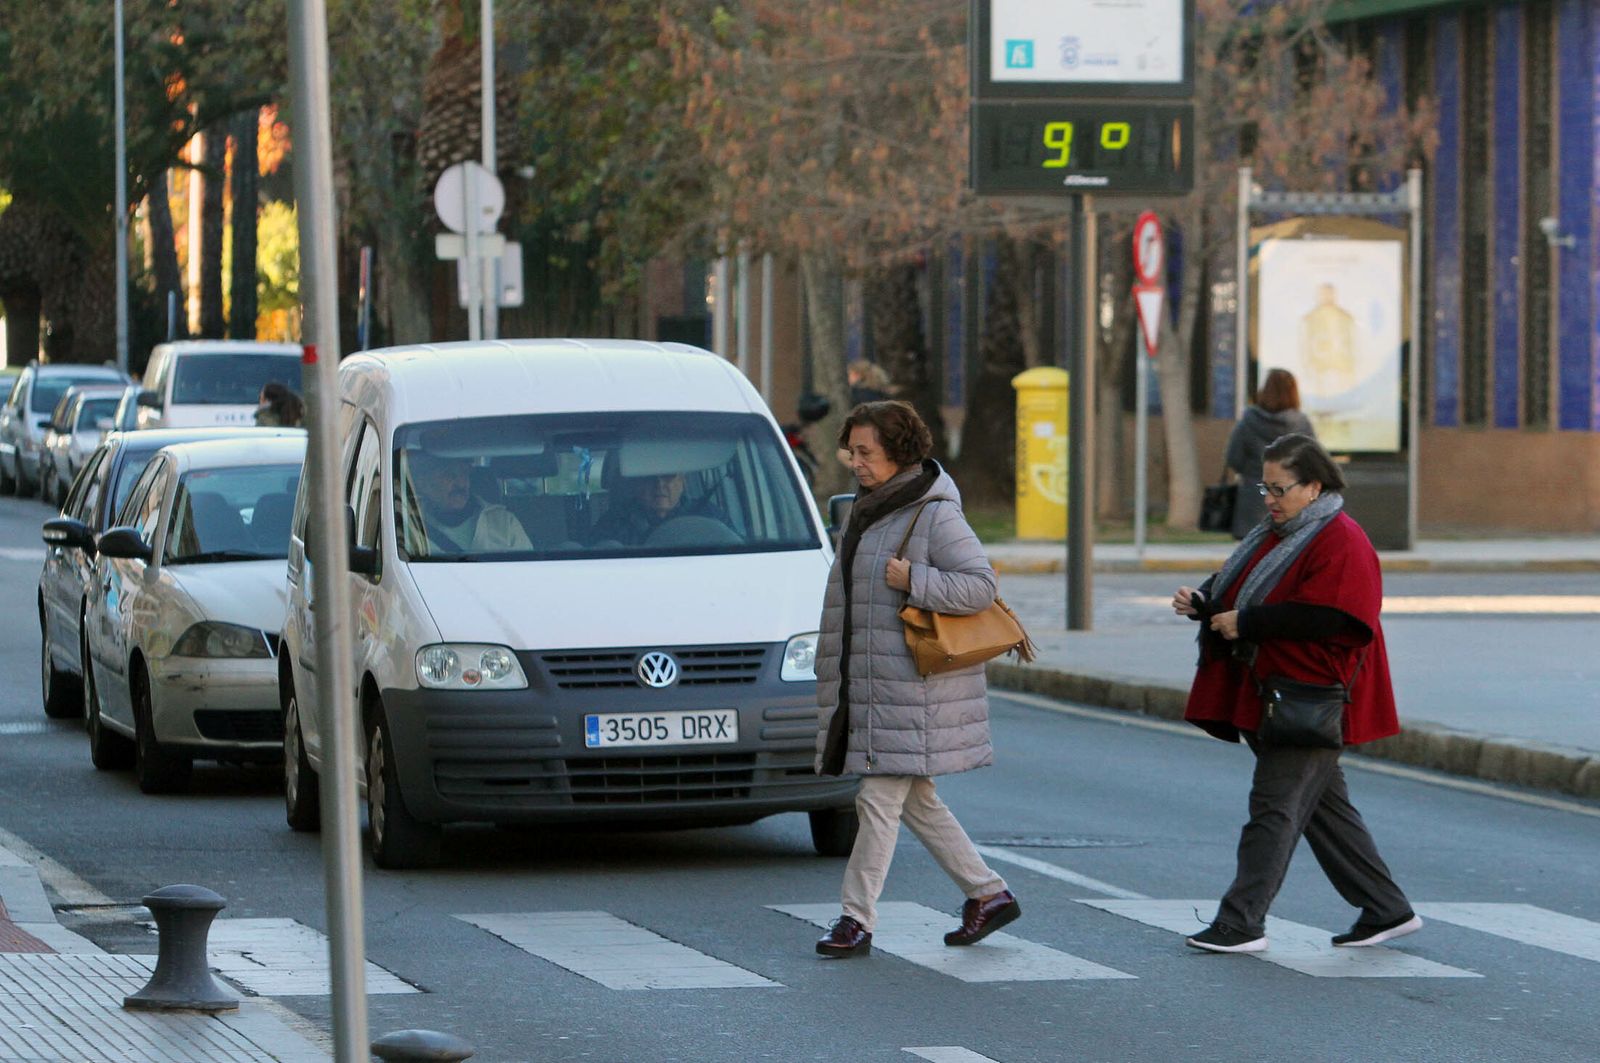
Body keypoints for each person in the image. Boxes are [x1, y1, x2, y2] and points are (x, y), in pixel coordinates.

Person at [1171, 432, 1420, 955]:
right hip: (1274, 691)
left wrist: (1251, 621)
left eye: (1279, 488)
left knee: (1275, 808)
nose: (1268, 498)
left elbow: (1335, 618)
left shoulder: (1342, 539)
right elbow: (1245, 592)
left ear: (1313, 486)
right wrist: (1206, 602)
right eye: (1264, 486)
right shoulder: (1280, 533)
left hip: (1311, 696)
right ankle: (1386, 909)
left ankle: (1241, 922)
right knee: (1326, 812)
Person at [812, 399, 1020, 958]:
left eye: (865, 452)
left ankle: (856, 919)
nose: (853, 461)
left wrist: (917, 580)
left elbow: (979, 586)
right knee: (917, 800)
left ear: (899, 453)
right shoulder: (869, 507)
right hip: (876, 688)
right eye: (850, 450)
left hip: (912, 690)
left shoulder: (933, 512)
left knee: (877, 799)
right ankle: (988, 894)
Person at [1223, 368, 1314, 538]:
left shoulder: (1248, 421)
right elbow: (1312, 464)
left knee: (1252, 559)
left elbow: (1234, 458)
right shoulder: (1302, 425)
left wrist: (1253, 473)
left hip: (1252, 498)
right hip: (1291, 500)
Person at [407, 450, 532, 553]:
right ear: (424, 484)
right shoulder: (409, 524)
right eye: (449, 475)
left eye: (464, 474)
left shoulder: (504, 522)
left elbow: (528, 572)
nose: (461, 483)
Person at [589, 471, 700, 545]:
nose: (659, 484)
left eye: (668, 475)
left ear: (682, 481)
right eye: (649, 477)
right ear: (637, 485)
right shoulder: (612, 524)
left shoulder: (706, 514)